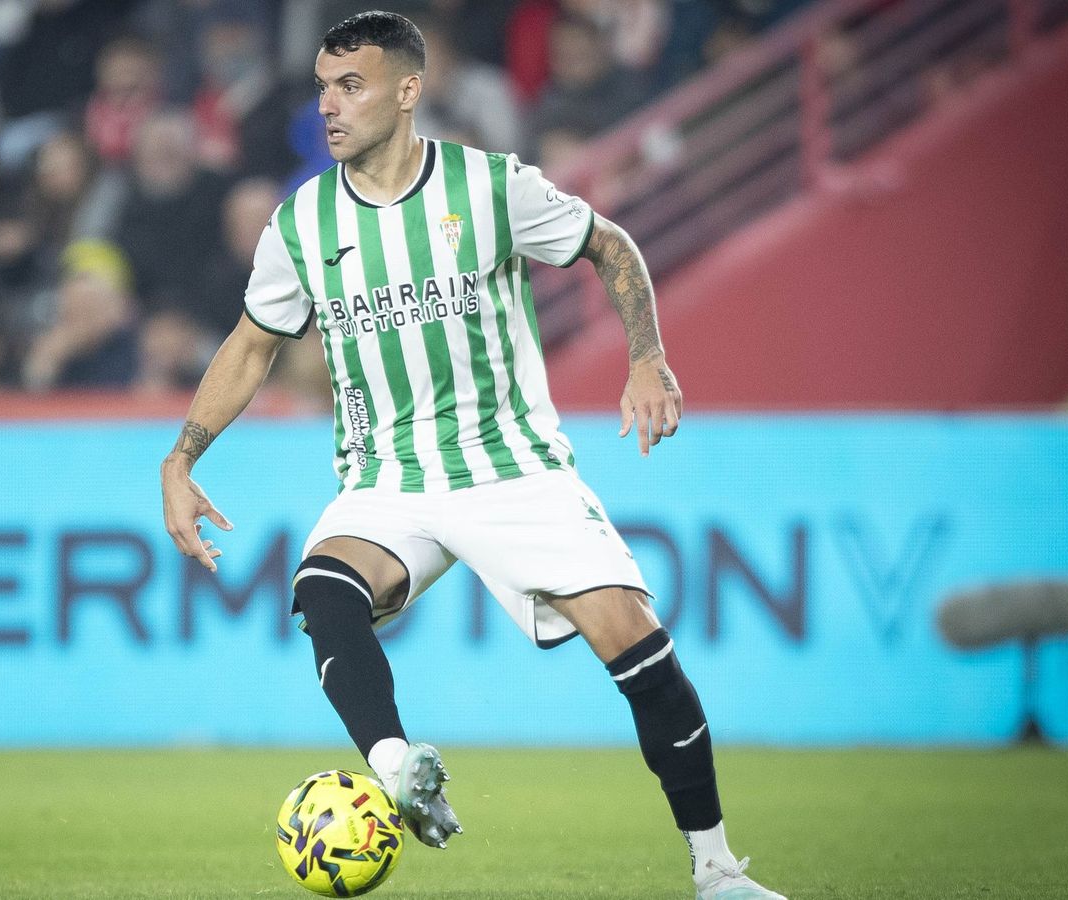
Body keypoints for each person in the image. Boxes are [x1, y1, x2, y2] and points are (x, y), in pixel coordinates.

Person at [158, 12, 785, 900]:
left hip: (511, 466)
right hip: (388, 479)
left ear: (408, 91)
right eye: (323, 88)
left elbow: (610, 245)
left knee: (636, 648)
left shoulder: (490, 188)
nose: (329, 107)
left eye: (352, 86)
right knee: (322, 589)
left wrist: (648, 357)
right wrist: (183, 458)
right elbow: (254, 343)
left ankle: (718, 870)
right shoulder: (300, 224)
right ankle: (397, 766)